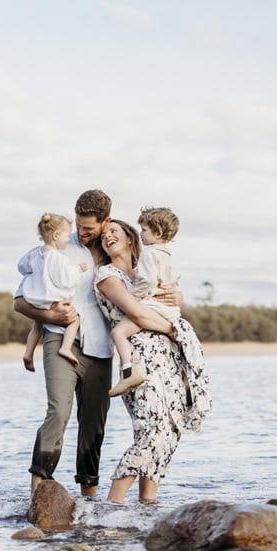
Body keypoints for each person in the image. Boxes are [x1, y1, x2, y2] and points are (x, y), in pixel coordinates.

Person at [14, 190, 180, 497]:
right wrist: (48, 313)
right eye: (78, 225)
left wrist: (176, 295)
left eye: (89, 228)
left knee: (93, 424)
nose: (82, 232)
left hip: (102, 348)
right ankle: (37, 492)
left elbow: (153, 291)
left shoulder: (118, 250)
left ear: (105, 221)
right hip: (62, 338)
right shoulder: (57, 248)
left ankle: (89, 499)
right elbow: (20, 301)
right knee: (58, 413)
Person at [94, 218, 210, 503]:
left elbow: (170, 297)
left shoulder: (148, 267)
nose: (108, 236)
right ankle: (113, 505)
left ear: (131, 239)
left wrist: (177, 295)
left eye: (114, 232)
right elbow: (140, 315)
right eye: (105, 235)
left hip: (169, 359)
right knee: (151, 430)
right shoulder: (107, 276)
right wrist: (173, 329)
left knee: (171, 429)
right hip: (138, 359)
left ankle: (147, 507)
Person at [107, 207, 182, 396]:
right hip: (170, 310)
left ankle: (128, 372)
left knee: (118, 332)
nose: (141, 234)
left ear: (158, 232)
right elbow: (174, 281)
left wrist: (133, 296)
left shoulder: (148, 254)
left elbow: (147, 281)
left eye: (144, 230)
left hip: (152, 306)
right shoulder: (169, 255)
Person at [18, 213, 89, 372]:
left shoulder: (35, 253)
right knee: (74, 319)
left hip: (36, 298)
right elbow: (65, 279)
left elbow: (21, 267)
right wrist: (79, 269)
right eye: (66, 236)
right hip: (52, 300)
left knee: (37, 325)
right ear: (56, 235)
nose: (68, 240)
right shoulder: (58, 257)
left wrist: (35, 273)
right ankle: (65, 347)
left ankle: (28, 353)